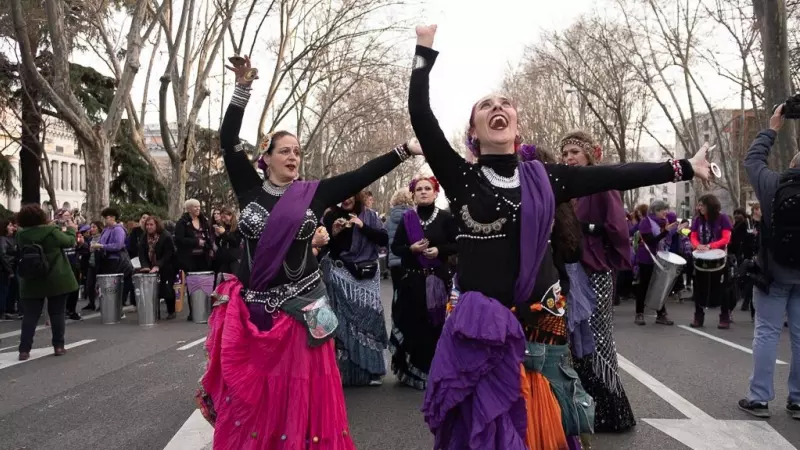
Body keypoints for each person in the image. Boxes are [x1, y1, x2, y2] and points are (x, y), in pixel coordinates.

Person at [410, 24, 710, 449]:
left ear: (517, 127)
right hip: (482, 325)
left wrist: (680, 167)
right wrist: (423, 49)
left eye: (506, 104)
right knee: (490, 423)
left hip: (541, 316)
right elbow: (421, 116)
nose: (498, 107)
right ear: (474, 132)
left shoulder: (545, 176)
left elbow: (612, 174)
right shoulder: (460, 178)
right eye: (486, 105)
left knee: (545, 420)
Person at [196, 55, 421, 449]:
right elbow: (228, 139)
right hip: (255, 310)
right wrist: (243, 88)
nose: (293, 157)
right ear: (266, 157)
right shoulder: (249, 189)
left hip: (305, 308)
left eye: (298, 151)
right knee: (256, 397)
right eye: (285, 150)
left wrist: (403, 151)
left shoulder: (312, 194)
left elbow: (360, 175)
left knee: (303, 395)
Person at [561, 130, 636, 433]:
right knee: (577, 336)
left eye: (574, 153)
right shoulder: (567, 188)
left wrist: (589, 230)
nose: (569, 159)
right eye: (565, 154)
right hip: (574, 272)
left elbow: (618, 228)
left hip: (598, 270)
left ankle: (613, 411)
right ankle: (588, 406)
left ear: (590, 154)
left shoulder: (602, 184)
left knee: (599, 336)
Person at [739, 103, 800, 419]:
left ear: (790, 165)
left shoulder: (772, 184)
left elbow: (752, 159)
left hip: (772, 272)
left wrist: (773, 127)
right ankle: (799, 399)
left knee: (766, 332)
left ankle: (760, 398)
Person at [390, 176, 458, 390]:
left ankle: (437, 372)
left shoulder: (446, 218)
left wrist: (439, 250)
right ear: (413, 194)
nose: (423, 192)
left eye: (428, 188)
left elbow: (458, 244)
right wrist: (411, 250)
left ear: (436, 193)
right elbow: (395, 248)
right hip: (412, 282)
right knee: (414, 325)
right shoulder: (407, 218)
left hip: (438, 280)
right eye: (419, 189)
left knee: (436, 327)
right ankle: (414, 372)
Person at [322, 192, 389, 386]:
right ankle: (346, 372)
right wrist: (333, 233)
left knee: (370, 318)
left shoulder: (369, 215)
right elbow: (326, 249)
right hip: (341, 274)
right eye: (343, 194)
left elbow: (383, 239)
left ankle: (372, 371)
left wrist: (363, 226)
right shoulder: (330, 216)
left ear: (357, 196)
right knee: (344, 322)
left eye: (350, 195)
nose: (346, 198)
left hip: (366, 275)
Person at [15, 204, 78, 361]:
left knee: (30, 315)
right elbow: (69, 241)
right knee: (57, 313)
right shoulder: (52, 232)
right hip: (56, 277)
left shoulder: (21, 235)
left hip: (31, 278)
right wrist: (71, 229)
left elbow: (31, 235)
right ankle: (58, 346)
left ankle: (24, 349)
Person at [688, 194, 733, 329]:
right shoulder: (697, 220)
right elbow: (693, 237)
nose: (699, 207)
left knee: (723, 288)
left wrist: (710, 246)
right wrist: (697, 246)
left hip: (719, 258)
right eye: (699, 205)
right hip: (701, 258)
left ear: (710, 206)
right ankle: (698, 315)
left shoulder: (723, 218)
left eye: (702, 205)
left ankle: (724, 316)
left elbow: (726, 238)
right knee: (698, 287)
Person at [633, 200, 677, 326]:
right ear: (656, 210)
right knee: (644, 286)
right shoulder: (646, 222)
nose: (666, 212)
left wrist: (671, 231)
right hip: (647, 258)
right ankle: (639, 313)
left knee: (661, 286)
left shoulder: (664, 222)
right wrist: (666, 231)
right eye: (663, 210)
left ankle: (661, 314)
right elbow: (651, 241)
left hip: (661, 258)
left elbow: (666, 239)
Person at [174, 199, 213, 321]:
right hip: (189, 258)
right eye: (195, 207)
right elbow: (179, 240)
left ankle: (206, 309)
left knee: (204, 284)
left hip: (203, 257)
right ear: (189, 209)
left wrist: (209, 245)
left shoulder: (204, 220)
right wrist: (196, 242)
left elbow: (209, 235)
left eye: (199, 206)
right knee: (193, 285)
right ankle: (194, 311)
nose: (198, 209)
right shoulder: (182, 223)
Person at [138, 216, 177, 320]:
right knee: (152, 290)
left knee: (167, 288)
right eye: (147, 225)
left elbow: (169, 253)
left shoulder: (166, 236)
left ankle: (171, 311)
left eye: (151, 225)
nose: (149, 227)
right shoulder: (144, 236)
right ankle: (155, 312)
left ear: (157, 225)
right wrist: (145, 266)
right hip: (150, 264)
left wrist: (158, 265)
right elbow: (141, 252)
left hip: (167, 265)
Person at [0, 218, 18, 320]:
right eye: (10, 226)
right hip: (5, 269)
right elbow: (3, 255)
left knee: (9, 290)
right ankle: (2, 311)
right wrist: (9, 270)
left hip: (11, 267)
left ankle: (8, 308)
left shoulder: (12, 238)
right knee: (3, 290)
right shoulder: (3, 239)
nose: (12, 228)